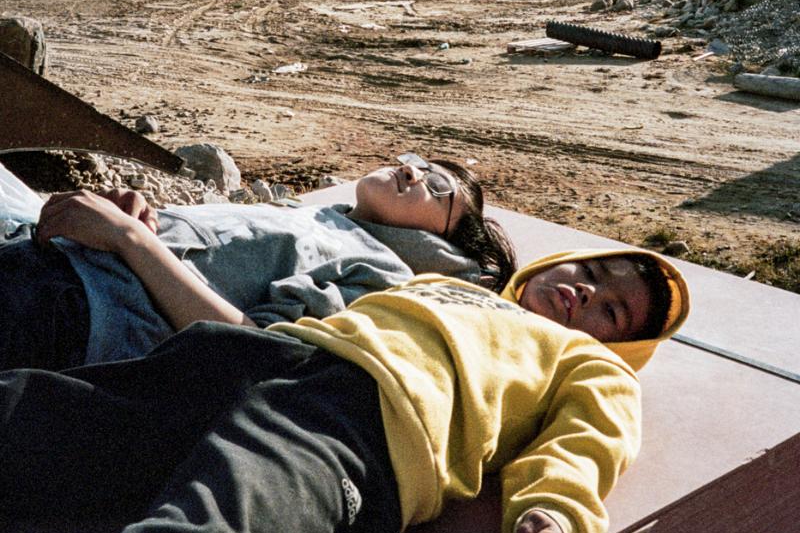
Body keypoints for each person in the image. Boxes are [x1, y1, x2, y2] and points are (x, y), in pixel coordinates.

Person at [0, 245, 690, 533]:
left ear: (621, 347)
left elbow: (587, 446)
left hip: (363, 436)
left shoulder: (589, 363)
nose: (586, 294)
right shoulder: (456, 289)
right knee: (31, 416)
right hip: (264, 358)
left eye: (612, 311)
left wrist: (557, 518)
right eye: (591, 272)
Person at [0, 153, 515, 371]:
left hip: (73, 304)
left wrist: (133, 240)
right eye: (418, 161)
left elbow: (253, 348)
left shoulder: (380, 273)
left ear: (445, 245)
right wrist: (133, 212)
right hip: (53, 252)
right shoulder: (324, 219)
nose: (411, 170)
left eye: (437, 187)